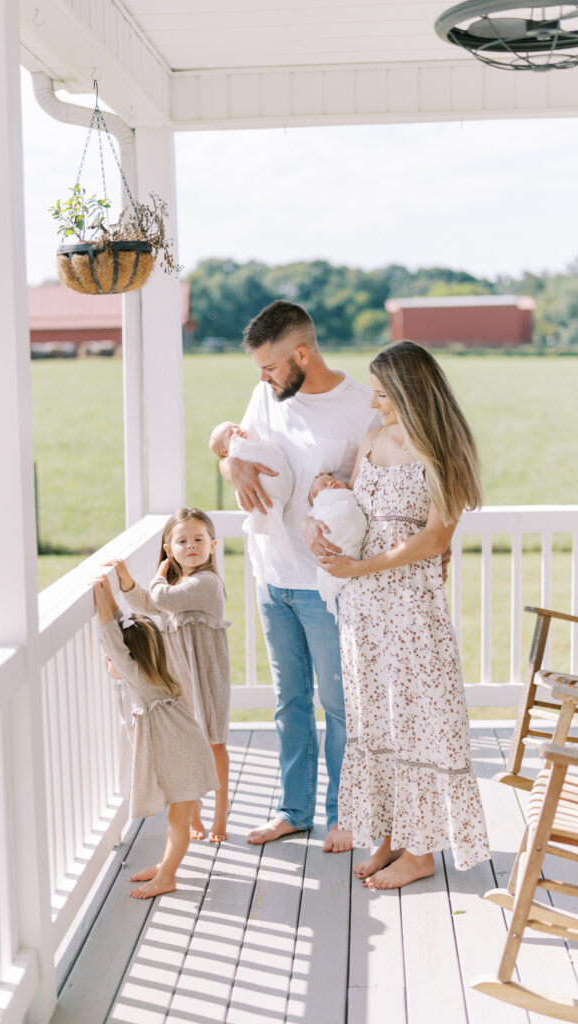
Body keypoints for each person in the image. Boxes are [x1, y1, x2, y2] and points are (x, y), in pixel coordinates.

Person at [319, 340, 491, 889]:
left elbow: (433, 537)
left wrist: (361, 567)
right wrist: (322, 522)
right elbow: (357, 509)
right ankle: (389, 837)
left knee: (417, 720)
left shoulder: (443, 451)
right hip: (364, 610)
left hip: (411, 609)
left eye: (385, 394)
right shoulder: (373, 440)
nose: (376, 404)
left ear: (414, 394)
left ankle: (420, 853)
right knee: (375, 718)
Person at [212, 300, 379, 852]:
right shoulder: (266, 396)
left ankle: (345, 814)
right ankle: (293, 810)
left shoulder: (361, 408)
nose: (262, 378)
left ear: (302, 354)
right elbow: (238, 452)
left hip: (327, 587)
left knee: (338, 704)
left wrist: (336, 489)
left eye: (270, 366)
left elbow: (380, 493)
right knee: (290, 703)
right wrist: (229, 462)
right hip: (272, 575)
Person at [105, 508, 231, 843]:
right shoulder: (180, 585)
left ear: (213, 545)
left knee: (214, 743)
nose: (191, 546)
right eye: (182, 541)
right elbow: (150, 604)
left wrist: (160, 571)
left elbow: (161, 596)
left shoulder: (206, 583)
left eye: (199, 539)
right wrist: (125, 579)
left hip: (207, 677)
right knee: (188, 744)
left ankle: (221, 815)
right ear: (170, 546)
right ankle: (194, 810)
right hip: (180, 676)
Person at [92, 575, 218, 899]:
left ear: (128, 660)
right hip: (186, 753)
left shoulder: (138, 680)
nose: (109, 663)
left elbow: (112, 640)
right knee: (177, 816)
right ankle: (165, 863)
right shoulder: (153, 670)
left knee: (178, 821)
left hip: (185, 758)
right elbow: (121, 634)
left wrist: (100, 598)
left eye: (112, 660)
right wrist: (109, 600)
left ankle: (168, 876)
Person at [209, 421, 295, 581]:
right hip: (272, 573)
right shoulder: (262, 399)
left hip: (310, 574)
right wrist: (232, 462)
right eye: (230, 433)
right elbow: (228, 460)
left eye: (235, 425)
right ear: (224, 450)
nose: (237, 429)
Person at [308, 472, 367, 619]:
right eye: (324, 486)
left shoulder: (350, 497)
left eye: (332, 480)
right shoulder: (323, 505)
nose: (331, 483)